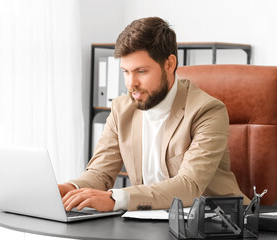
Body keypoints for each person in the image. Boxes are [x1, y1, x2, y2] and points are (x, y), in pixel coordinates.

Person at [59, 16, 249, 212]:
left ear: (169, 64)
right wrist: (70, 188)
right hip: (152, 220)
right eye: (126, 71)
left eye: (141, 71)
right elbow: (100, 173)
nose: (131, 83)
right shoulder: (121, 110)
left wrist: (116, 198)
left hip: (216, 223)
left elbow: (189, 185)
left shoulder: (207, 111)